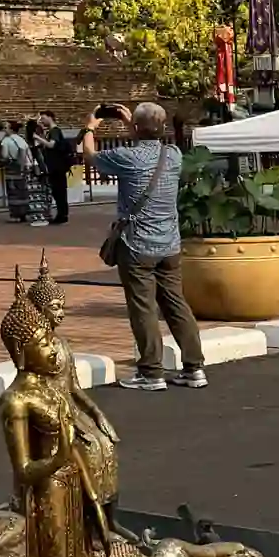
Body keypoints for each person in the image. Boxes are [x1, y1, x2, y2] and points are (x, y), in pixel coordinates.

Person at [80, 100, 207, 391]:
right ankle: (194, 368)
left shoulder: (126, 157)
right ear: (162, 128)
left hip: (137, 244)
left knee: (143, 308)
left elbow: (89, 155)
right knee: (176, 304)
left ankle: (151, 373)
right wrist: (133, 124)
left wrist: (90, 126)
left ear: (136, 128)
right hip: (170, 245)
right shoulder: (173, 154)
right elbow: (148, 139)